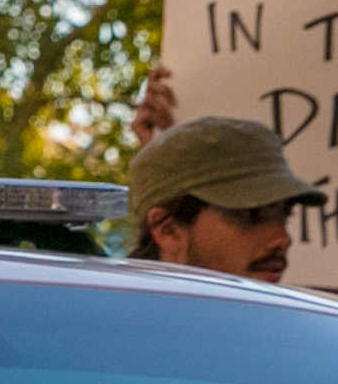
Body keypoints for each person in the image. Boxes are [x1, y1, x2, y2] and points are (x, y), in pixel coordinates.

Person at [127, 116, 325, 286]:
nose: (282, 239)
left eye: (284, 214)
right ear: (168, 231)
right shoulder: (113, 325)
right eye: (251, 214)